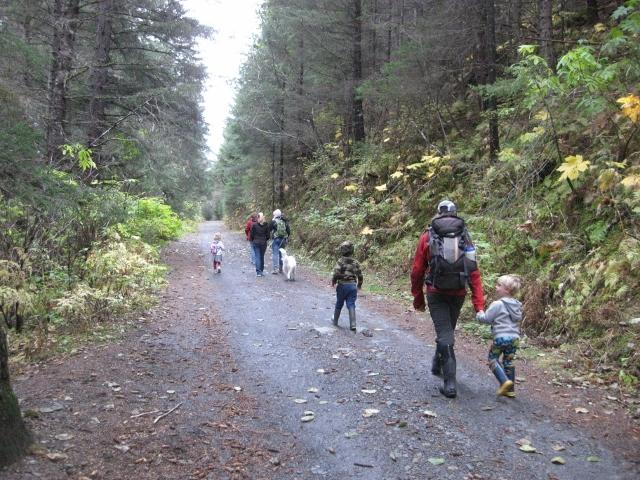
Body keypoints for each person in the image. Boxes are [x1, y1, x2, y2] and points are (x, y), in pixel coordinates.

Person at [410, 200, 485, 398]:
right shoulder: (465, 237)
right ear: (455, 214)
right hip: (458, 292)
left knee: (445, 333)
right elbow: (474, 272)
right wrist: (479, 304)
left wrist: (418, 298)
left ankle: (450, 383)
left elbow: (417, 270)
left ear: (438, 214)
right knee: (447, 331)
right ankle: (437, 362)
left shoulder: (428, 236)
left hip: (436, 291)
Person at [476, 275, 522, 397]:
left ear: (506, 289)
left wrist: (479, 314)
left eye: (498, 285)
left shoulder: (497, 304)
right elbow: (518, 319)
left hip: (501, 337)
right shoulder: (517, 305)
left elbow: (487, 319)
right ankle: (510, 390)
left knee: (493, 359)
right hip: (515, 338)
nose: (496, 287)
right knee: (508, 361)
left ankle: (504, 381)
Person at [331, 241, 363, 332]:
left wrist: (334, 281)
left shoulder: (340, 261)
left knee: (339, 303)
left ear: (342, 250)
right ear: (352, 250)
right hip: (352, 286)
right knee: (351, 304)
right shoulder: (355, 262)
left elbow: (336, 273)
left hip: (342, 286)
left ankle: (335, 321)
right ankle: (353, 324)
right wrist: (359, 285)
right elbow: (360, 275)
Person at [269, 209, 291, 274]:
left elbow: (269, 229)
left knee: (275, 254)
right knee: (282, 254)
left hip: (275, 239)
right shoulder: (284, 221)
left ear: (275, 215)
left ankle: (275, 269)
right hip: (283, 240)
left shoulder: (273, 221)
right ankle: (281, 269)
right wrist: (286, 237)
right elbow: (288, 231)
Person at [250, 212, 270, 277]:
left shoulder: (254, 225)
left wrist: (254, 240)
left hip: (256, 242)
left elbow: (252, 235)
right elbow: (268, 236)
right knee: (261, 257)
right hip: (263, 243)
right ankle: (261, 271)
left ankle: (258, 272)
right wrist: (264, 239)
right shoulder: (267, 225)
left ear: (258, 217)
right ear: (263, 217)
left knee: (257, 257)